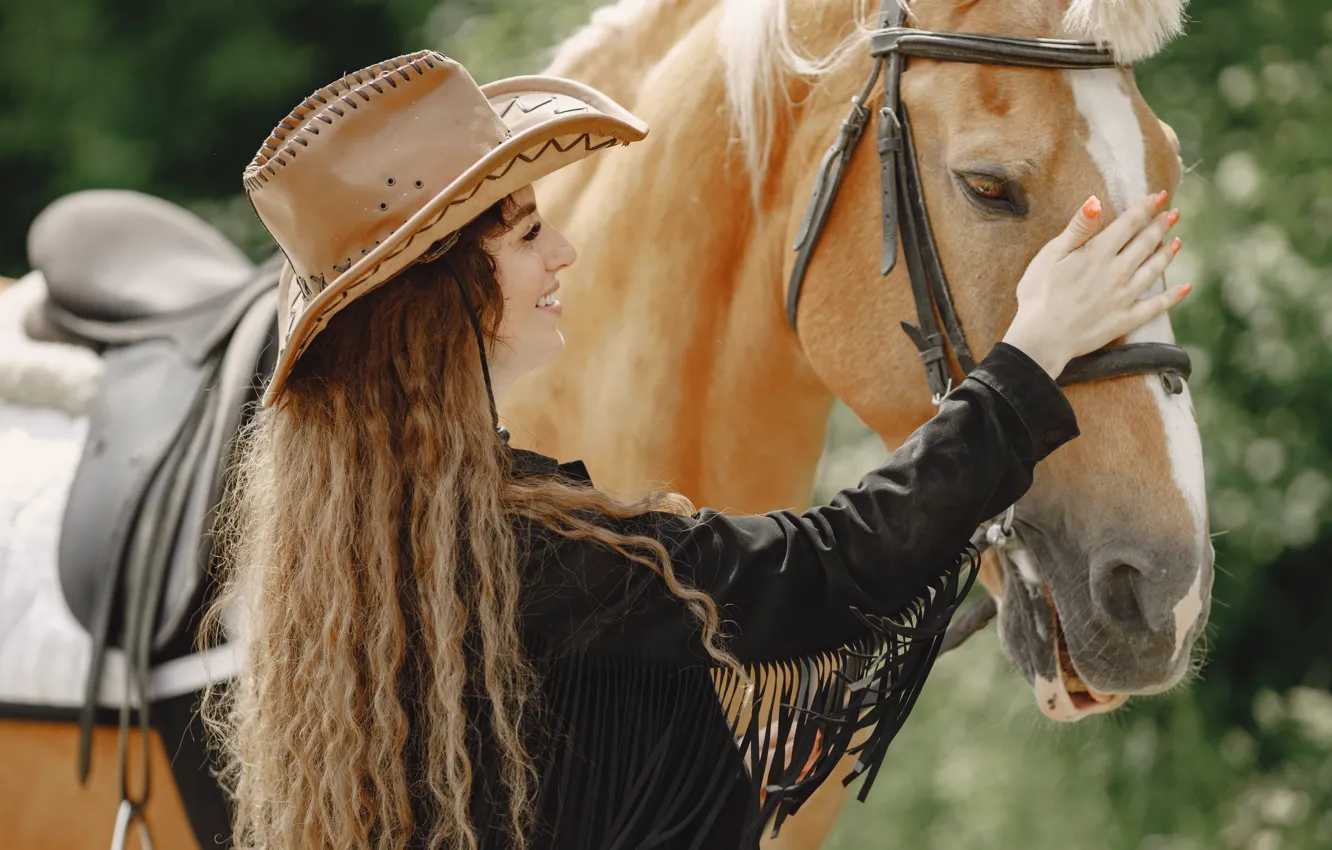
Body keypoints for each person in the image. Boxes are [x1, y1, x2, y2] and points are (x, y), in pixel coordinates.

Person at [208, 51, 1188, 850]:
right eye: (527, 234)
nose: (563, 253)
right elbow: (830, 567)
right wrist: (1029, 356)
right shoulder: (529, 551)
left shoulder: (389, 541)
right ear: (442, 292)